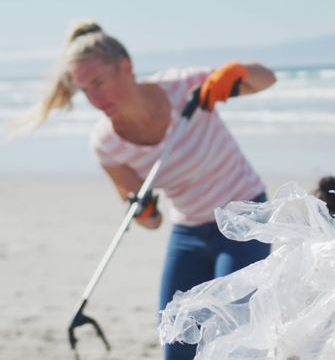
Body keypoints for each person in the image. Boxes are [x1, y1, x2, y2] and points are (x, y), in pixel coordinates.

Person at [23, 22, 277, 360]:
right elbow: (150, 221)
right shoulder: (106, 143)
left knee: (232, 338)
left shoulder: (187, 89)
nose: (95, 99)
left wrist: (237, 71)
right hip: (188, 233)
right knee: (176, 344)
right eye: (85, 90)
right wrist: (142, 210)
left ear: (125, 67)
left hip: (244, 220)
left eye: (99, 83)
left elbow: (267, 78)